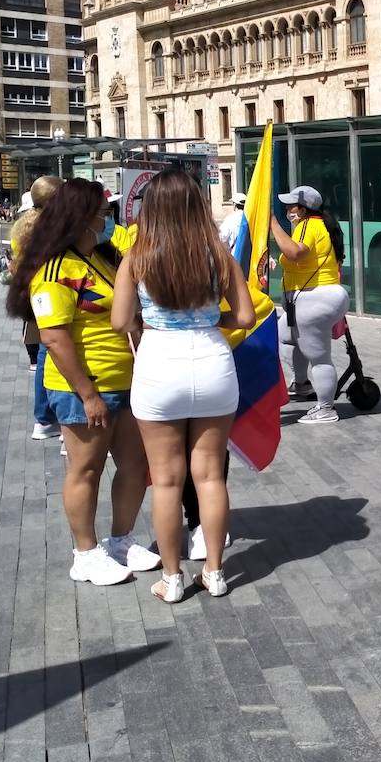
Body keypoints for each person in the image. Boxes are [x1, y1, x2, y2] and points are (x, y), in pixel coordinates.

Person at [5, 178, 160, 585]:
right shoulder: (55, 269)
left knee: (133, 464)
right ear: (81, 218)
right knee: (86, 469)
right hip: (85, 387)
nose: (107, 218)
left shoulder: (103, 258)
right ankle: (85, 552)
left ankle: (121, 540)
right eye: (101, 213)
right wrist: (88, 395)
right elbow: (54, 338)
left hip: (127, 382)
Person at [113, 170, 256, 602]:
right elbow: (246, 317)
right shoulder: (216, 252)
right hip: (212, 361)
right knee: (210, 475)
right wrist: (212, 320)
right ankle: (214, 572)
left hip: (160, 363)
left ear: (149, 210)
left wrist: (151, 320)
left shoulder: (137, 256)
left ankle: (172, 579)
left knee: (168, 479)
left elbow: (120, 321)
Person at [271, 186, 349, 424]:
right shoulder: (318, 225)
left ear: (302, 209)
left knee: (319, 356)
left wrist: (271, 223)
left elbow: (295, 253)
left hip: (314, 297)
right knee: (284, 335)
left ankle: (326, 409)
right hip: (318, 297)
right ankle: (302, 384)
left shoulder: (307, 225)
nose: (287, 209)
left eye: (290, 205)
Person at [11, 176, 64, 439]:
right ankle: (48, 417)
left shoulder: (24, 227)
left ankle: (44, 418)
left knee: (46, 347)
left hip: (34, 295)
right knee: (52, 346)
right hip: (53, 293)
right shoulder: (55, 229)